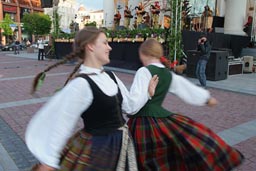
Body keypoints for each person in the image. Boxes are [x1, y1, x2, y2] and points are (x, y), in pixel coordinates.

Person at [25, 27, 159, 171]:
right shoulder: (81, 84)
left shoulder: (110, 76)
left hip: (120, 145)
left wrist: (148, 94)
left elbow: (130, 106)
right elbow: (61, 124)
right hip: (98, 151)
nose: (110, 47)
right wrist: (48, 162)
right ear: (91, 46)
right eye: (105, 43)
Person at [127, 38, 244, 171]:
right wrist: (206, 98)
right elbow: (186, 88)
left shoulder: (143, 71)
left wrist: (128, 107)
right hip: (161, 123)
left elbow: (135, 102)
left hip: (142, 124)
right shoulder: (168, 74)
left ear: (143, 54)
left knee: (138, 159)